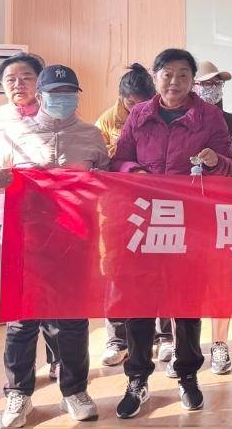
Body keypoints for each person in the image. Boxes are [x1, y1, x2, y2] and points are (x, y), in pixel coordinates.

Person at [0, 64, 108, 427]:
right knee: (22, 318)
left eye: (68, 93)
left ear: (77, 97)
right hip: (25, 239)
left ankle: (74, 390)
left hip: (75, 238)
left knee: (72, 317)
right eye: (54, 93)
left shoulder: (91, 135)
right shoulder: (14, 133)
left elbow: (107, 180)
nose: (61, 99)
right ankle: (19, 393)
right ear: (41, 96)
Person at [111, 48, 232, 419]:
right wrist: (134, 171)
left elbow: (228, 165)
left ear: (192, 79)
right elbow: (119, 159)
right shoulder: (139, 114)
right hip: (143, 220)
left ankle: (188, 375)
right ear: (155, 77)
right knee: (138, 302)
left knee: (187, 303)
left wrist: (215, 161)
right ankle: (137, 378)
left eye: (183, 74)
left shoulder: (208, 116)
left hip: (189, 223)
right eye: (167, 74)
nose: (175, 82)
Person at [0, 53, 63, 386]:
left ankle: (58, 361)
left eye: (26, 77)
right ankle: (19, 383)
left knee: (55, 293)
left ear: (40, 81)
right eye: (10, 79)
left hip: (53, 220)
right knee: (18, 297)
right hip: (6, 218)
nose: (18, 84)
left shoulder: (57, 115)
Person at [95, 62, 156, 368]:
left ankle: (161, 336)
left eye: (142, 103)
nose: (136, 109)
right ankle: (117, 338)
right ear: (121, 98)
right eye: (131, 103)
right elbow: (101, 160)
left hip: (154, 206)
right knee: (117, 269)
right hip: (118, 206)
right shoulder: (107, 121)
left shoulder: (157, 115)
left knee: (158, 269)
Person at [193, 60, 232, 376]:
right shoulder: (182, 119)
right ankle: (184, 347)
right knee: (185, 282)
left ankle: (219, 344)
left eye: (217, 83)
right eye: (206, 84)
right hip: (184, 213)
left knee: (221, 281)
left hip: (222, 211)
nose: (212, 89)